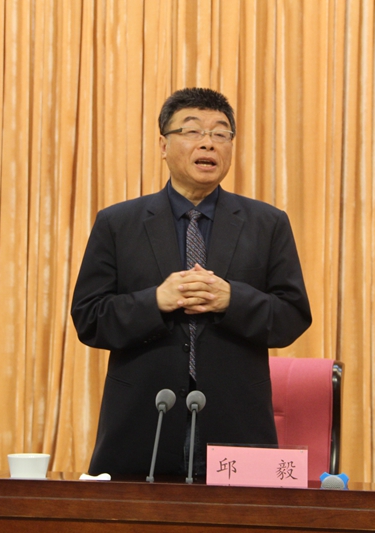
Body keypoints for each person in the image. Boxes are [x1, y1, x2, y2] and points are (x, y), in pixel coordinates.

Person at [71, 87, 311, 477]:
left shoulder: (267, 223)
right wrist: (155, 301)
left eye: (220, 133)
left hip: (238, 425)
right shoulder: (118, 223)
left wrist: (232, 300)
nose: (208, 143)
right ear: (163, 145)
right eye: (193, 130)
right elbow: (89, 318)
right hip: (143, 423)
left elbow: (292, 316)